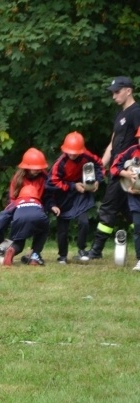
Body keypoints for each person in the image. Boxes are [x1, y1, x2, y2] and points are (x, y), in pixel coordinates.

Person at [79, 76, 140, 262]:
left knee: (108, 207)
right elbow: (112, 145)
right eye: (112, 92)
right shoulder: (120, 115)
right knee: (130, 212)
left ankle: (95, 251)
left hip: (128, 172)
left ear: (128, 91)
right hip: (117, 170)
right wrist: (100, 168)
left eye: (117, 92)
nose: (114, 96)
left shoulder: (136, 112)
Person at [0, 148, 60, 266]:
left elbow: (48, 195)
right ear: (27, 167)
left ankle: (13, 251)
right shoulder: (18, 179)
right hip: (32, 212)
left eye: (40, 168)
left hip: (27, 211)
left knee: (21, 241)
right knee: (43, 230)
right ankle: (34, 255)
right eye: (35, 168)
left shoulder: (44, 177)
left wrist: (52, 205)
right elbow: (12, 198)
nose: (38, 170)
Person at [47, 132, 105, 264]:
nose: (72, 155)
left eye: (75, 152)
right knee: (63, 228)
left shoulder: (86, 156)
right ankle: (62, 256)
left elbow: (99, 165)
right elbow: (52, 182)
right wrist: (73, 186)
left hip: (81, 194)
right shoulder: (60, 163)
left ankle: (81, 249)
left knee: (84, 222)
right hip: (63, 194)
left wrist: (97, 180)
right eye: (70, 152)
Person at [107, 126, 140, 271]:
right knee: (138, 227)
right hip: (134, 197)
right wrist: (126, 174)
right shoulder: (131, 151)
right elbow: (114, 167)